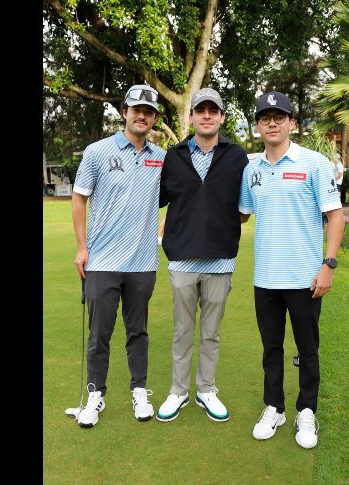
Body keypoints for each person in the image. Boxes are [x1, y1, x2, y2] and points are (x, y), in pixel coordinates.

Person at [238, 91, 345, 449]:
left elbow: (335, 215)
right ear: (257, 125)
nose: (272, 122)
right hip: (265, 277)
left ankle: (306, 411)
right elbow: (241, 214)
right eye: (265, 117)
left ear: (291, 123)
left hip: (305, 277)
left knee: (307, 349)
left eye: (279, 116)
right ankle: (275, 407)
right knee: (271, 349)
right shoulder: (251, 170)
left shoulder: (314, 163)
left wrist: (328, 264)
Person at [70, 84, 167, 428]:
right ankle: (95, 396)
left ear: (155, 118)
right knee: (99, 335)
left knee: (137, 332)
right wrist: (82, 248)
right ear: (124, 111)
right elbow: (79, 199)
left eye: (149, 111)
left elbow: (181, 195)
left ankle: (139, 390)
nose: (142, 115)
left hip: (142, 264)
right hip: (101, 263)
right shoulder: (97, 152)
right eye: (136, 109)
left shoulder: (161, 158)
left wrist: (161, 232)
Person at [156, 88, 249, 423]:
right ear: (192, 116)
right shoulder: (174, 155)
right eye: (201, 110)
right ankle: (179, 392)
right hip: (182, 259)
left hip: (220, 260)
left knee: (210, 332)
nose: (207, 115)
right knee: (183, 330)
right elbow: (161, 197)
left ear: (222, 117)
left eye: (214, 110)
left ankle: (206, 390)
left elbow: (245, 208)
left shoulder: (237, 156)